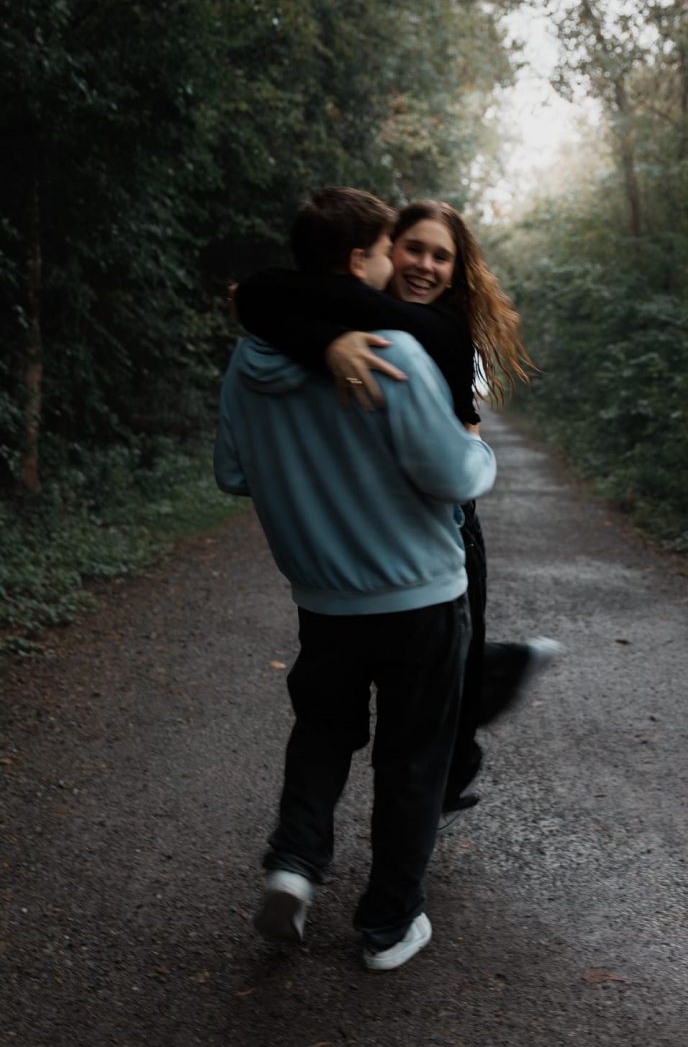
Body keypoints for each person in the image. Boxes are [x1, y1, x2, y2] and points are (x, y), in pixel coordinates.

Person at [215, 187, 496, 971]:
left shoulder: (249, 359)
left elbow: (234, 473)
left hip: (324, 599)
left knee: (322, 733)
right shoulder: (397, 352)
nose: (397, 265)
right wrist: (482, 452)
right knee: (413, 756)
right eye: (387, 251)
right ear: (357, 259)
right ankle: (387, 924)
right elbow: (452, 476)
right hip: (420, 597)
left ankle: (294, 868)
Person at [234, 200, 559, 814]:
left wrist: (320, 333)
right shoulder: (346, 307)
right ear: (381, 253)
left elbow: (262, 296)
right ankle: (479, 704)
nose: (424, 265)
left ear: (457, 271)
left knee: (449, 659)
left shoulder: (443, 330)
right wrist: (328, 343)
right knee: (408, 669)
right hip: (368, 524)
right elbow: (260, 295)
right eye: (412, 248)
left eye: (442, 256)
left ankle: (451, 768)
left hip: (449, 515)